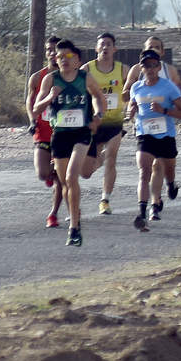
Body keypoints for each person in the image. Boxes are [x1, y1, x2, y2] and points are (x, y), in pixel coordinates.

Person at [32, 41, 107, 247]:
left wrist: (98, 115)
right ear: (56, 60)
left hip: (81, 132)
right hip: (60, 135)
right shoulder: (50, 79)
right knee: (65, 183)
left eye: (68, 56)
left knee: (72, 176)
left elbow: (98, 97)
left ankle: (74, 228)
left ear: (77, 60)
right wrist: (50, 97)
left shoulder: (85, 77)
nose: (64, 60)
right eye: (60, 57)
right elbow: (36, 108)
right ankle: (75, 220)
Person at [130, 49, 181, 230]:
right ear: (142, 68)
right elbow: (133, 104)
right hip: (145, 135)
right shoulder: (136, 87)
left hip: (165, 136)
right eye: (146, 66)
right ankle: (142, 213)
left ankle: (171, 184)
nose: (150, 69)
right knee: (144, 172)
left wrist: (164, 110)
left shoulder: (168, 87)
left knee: (169, 169)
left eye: (154, 65)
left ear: (159, 67)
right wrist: (131, 110)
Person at [80, 32, 126, 215]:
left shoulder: (122, 70)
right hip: (94, 124)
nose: (105, 47)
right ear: (96, 48)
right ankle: (101, 157)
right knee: (86, 173)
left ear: (114, 49)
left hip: (114, 123)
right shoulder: (87, 69)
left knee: (112, 158)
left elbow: (133, 88)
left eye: (109, 44)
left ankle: (105, 200)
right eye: (102, 44)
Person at [26, 35, 64, 229]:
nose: (51, 53)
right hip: (43, 131)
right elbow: (30, 101)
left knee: (60, 176)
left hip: (64, 133)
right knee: (43, 173)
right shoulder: (37, 77)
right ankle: (50, 176)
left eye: (55, 50)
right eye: (49, 50)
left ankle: (53, 214)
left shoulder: (71, 77)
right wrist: (32, 120)